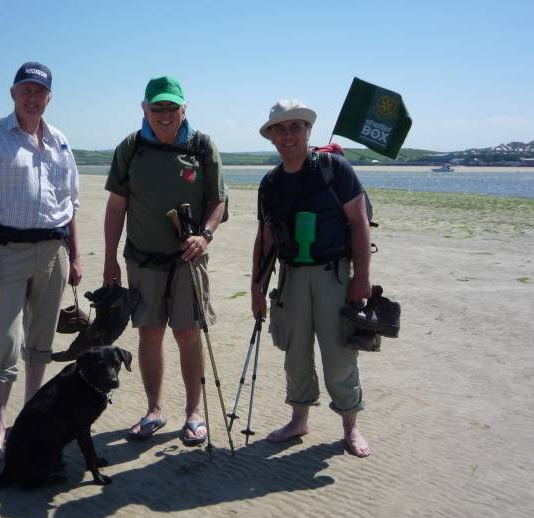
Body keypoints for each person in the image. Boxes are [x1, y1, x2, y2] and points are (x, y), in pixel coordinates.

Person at [0, 61, 82, 461]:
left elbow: (70, 205)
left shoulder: (60, 141)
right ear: (13, 94)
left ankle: (31, 419)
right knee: (6, 341)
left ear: (49, 97)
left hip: (54, 252)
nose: (33, 97)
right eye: (25, 90)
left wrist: (76, 256)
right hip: (5, 254)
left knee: (41, 343)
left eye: (40, 91)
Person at [102, 76, 227, 446]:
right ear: (145, 109)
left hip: (189, 260)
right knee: (149, 333)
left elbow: (218, 201)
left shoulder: (202, 147)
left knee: (188, 335)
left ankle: (194, 414)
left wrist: (204, 236)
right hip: (142, 260)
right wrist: (109, 260)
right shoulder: (131, 147)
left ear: (184, 108)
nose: (165, 114)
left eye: (172, 106)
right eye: (157, 107)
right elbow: (116, 207)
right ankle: (154, 410)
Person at [251, 100, 373, 457]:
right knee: (295, 352)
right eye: (280, 129)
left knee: (339, 353)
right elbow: (266, 239)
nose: (288, 135)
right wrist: (256, 288)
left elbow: (359, 222)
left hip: (333, 274)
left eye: (295, 127)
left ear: (308, 131)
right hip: (290, 276)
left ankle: (350, 426)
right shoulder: (271, 183)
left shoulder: (334, 169)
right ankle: (299, 419)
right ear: (271, 136)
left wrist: (361, 277)